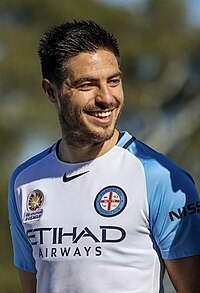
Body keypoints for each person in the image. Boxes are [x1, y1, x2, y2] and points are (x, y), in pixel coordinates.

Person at [8, 20, 200, 293]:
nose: (107, 98)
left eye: (114, 81)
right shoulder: (25, 181)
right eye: (88, 84)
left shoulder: (158, 178)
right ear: (52, 91)